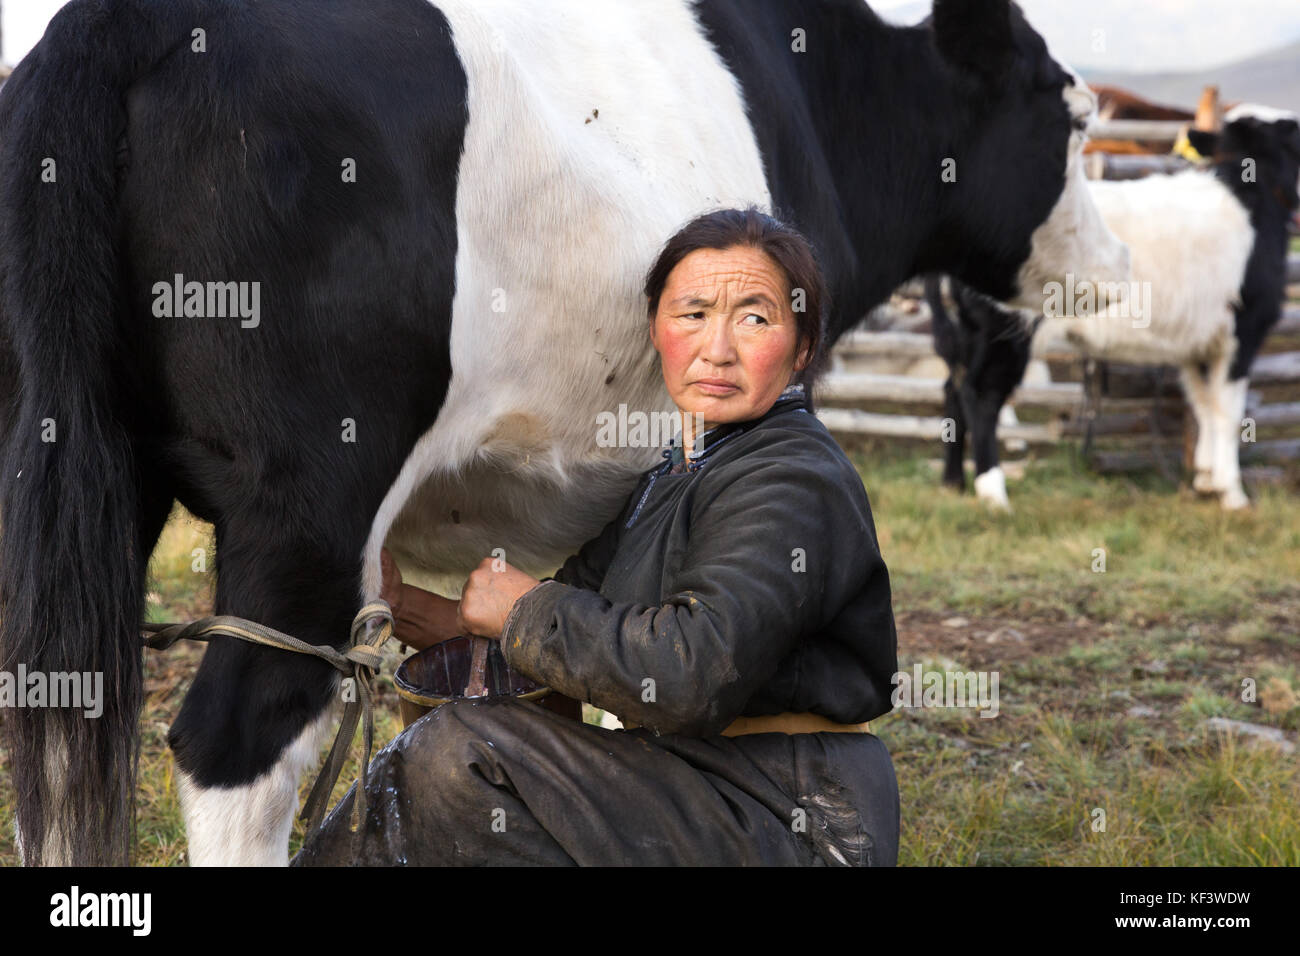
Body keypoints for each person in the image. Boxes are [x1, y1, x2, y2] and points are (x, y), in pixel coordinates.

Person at [292, 206, 900, 866]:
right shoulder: (676, 474)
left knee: (456, 754)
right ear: (657, 331)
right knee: (441, 761)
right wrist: (397, 602)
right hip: (691, 785)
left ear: (803, 348)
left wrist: (525, 609)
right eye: (692, 314)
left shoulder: (792, 479)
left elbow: (692, 672)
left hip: (793, 814)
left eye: (754, 317)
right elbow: (542, 648)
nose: (716, 347)